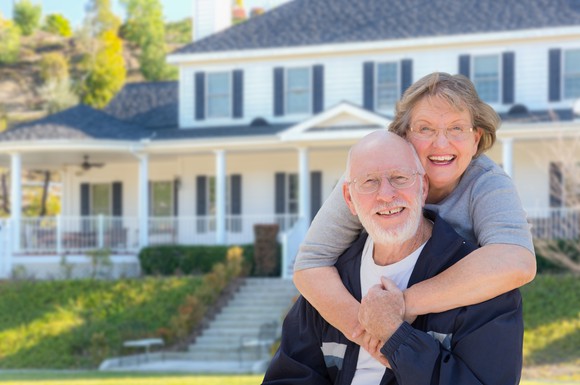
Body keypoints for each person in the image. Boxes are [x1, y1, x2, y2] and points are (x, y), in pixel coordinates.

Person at [292, 72, 535, 355]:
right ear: (403, 136)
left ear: (476, 138)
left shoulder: (487, 182)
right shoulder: (367, 178)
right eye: (425, 129)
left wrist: (402, 305)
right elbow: (310, 263)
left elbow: (517, 260)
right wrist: (368, 334)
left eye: (456, 128)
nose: (441, 144)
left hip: (454, 335)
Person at [262, 131, 523, 385]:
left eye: (399, 178)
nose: (386, 194)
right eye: (369, 181)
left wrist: (398, 339)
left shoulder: (482, 286)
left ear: (423, 188)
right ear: (349, 199)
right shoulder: (331, 285)